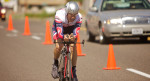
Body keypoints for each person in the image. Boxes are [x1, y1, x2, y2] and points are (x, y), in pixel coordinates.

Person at [51, 1, 82, 81]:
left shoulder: (79, 17)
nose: (73, 17)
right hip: (60, 28)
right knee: (59, 46)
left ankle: (74, 71)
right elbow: (60, 32)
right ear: (66, 13)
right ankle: (55, 63)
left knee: (73, 47)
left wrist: (73, 36)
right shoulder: (59, 15)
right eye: (71, 15)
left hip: (71, 29)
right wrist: (62, 37)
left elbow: (76, 31)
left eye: (75, 15)